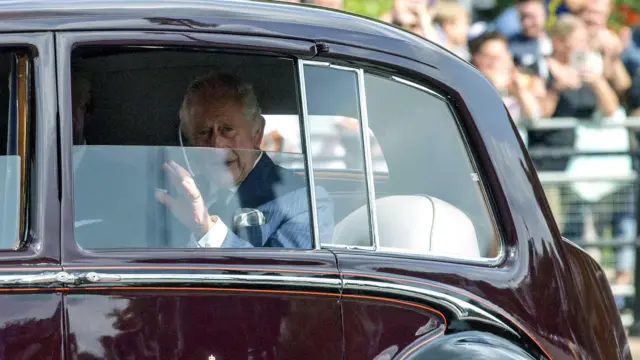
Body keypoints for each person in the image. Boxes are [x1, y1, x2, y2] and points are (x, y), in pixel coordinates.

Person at [156, 72, 334, 248]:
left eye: (227, 129)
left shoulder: (305, 201)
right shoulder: (178, 195)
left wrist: (206, 229)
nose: (216, 145)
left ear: (257, 133)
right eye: (203, 132)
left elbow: (279, 275)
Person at [470, 30, 544, 140]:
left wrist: (519, 91)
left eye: (500, 56)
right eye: (489, 57)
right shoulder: (469, 84)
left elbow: (534, 117)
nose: (495, 62)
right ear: (476, 59)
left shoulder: (520, 81)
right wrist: (493, 87)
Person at [508, 0, 553, 80]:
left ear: (545, 14)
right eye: (522, 17)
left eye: (531, 16)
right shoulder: (511, 46)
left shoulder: (559, 40)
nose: (526, 23)